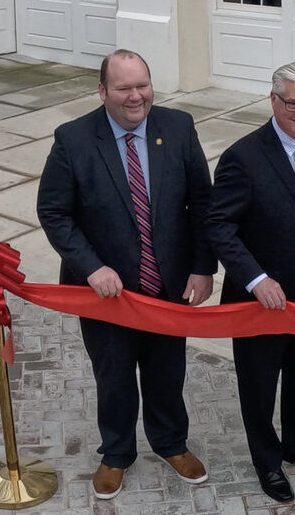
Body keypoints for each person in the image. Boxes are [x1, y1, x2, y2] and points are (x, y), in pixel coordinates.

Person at [36, 49, 215, 500]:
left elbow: (203, 205)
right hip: (105, 295)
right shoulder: (73, 139)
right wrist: (91, 266)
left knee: (167, 372)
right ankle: (116, 453)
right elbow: (55, 213)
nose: (136, 96)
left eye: (142, 85)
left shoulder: (178, 127)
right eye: (123, 88)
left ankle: (171, 443)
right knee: (113, 376)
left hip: (167, 287)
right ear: (102, 91)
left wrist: (201, 267)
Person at [203, 62, 295, 502]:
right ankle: (267, 461)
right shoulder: (242, 157)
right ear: (274, 100)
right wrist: (256, 278)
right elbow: (218, 226)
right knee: (260, 385)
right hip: (259, 302)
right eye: (294, 104)